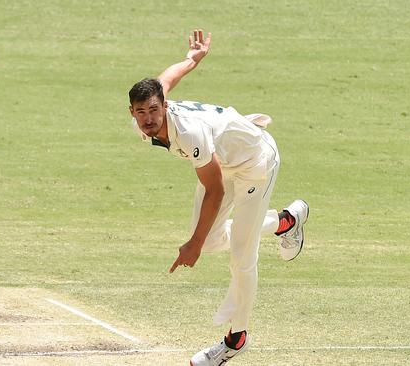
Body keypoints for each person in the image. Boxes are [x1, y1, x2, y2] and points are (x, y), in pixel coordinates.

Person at [127, 30, 309, 365]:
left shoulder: (188, 132)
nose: (149, 118)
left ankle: (236, 339)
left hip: (255, 163)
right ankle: (285, 222)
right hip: (221, 161)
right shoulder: (148, 113)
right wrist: (191, 59)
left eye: (154, 110)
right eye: (141, 112)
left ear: (163, 106)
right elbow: (165, 79)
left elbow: (216, 191)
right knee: (212, 241)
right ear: (132, 112)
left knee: (241, 255)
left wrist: (191, 244)